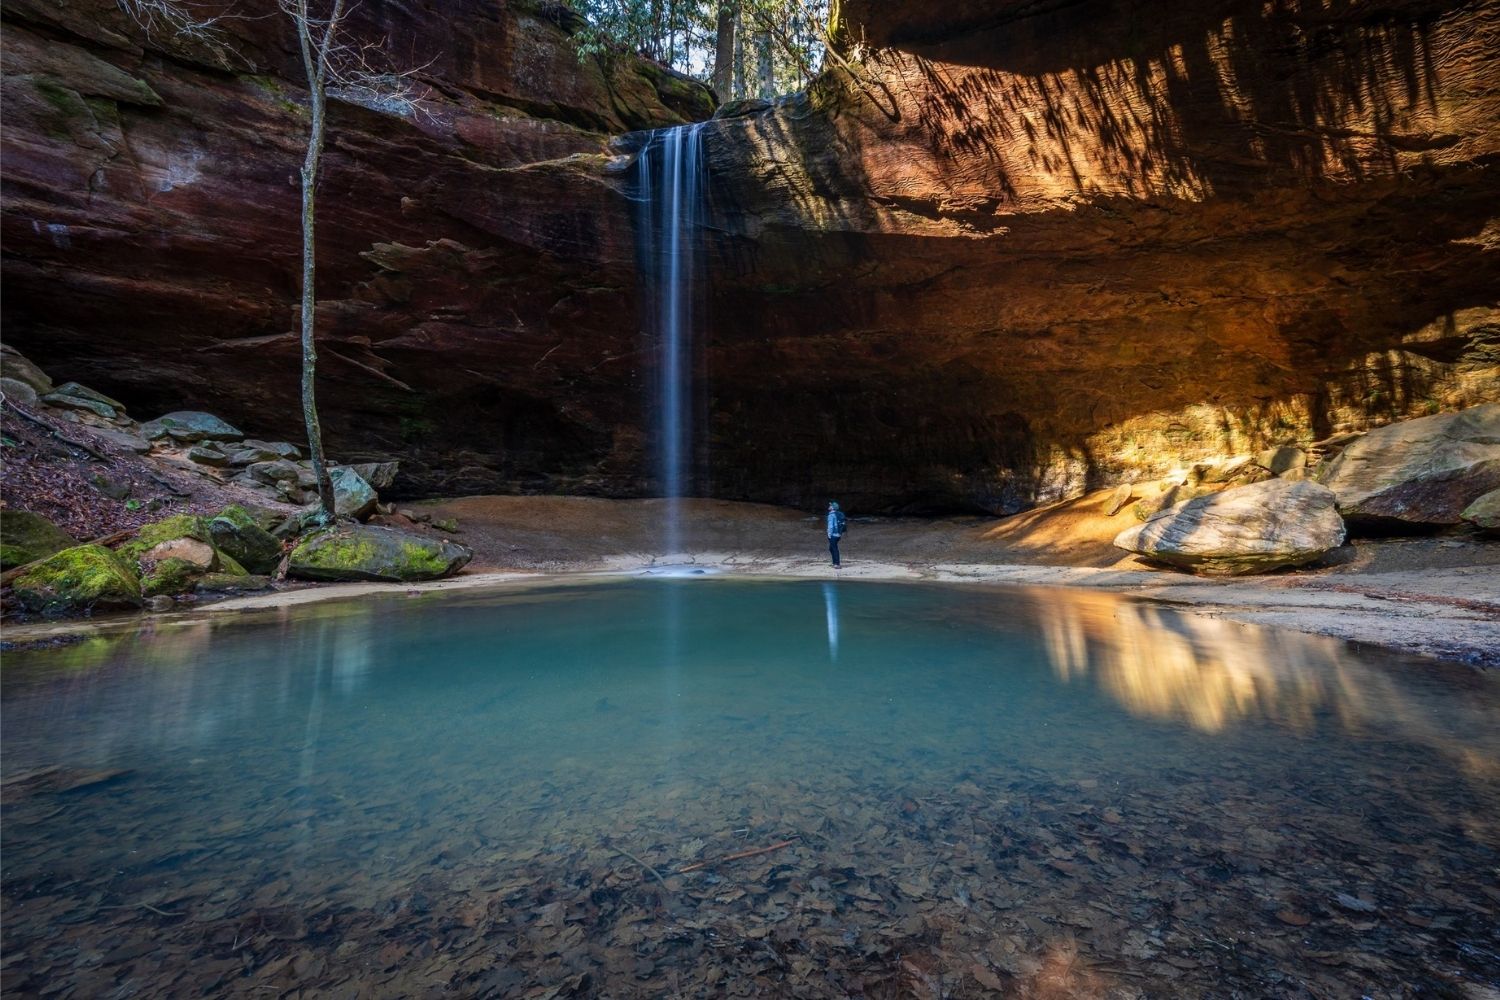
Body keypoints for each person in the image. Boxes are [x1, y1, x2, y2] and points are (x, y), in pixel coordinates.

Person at [826, 500, 847, 568]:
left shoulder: (831, 515)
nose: (829, 506)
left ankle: (837, 564)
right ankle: (834, 562)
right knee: (831, 548)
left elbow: (831, 526)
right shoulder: (838, 514)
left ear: (832, 507)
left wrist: (829, 534)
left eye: (830, 505)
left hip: (833, 535)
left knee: (834, 548)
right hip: (838, 534)